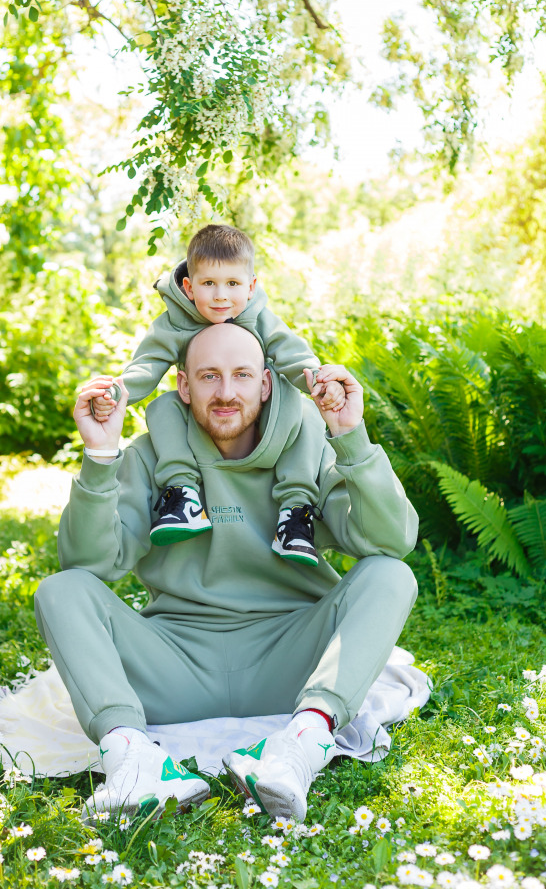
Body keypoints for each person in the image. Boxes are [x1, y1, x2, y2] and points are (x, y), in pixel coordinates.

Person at [34, 322, 419, 823]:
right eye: (209, 376)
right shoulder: (149, 458)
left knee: (391, 574)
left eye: (241, 375)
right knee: (62, 590)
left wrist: (350, 436)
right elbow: (89, 564)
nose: (226, 392)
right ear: (183, 385)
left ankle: (301, 742)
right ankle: (133, 758)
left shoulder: (306, 451)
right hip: (177, 666)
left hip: (291, 659)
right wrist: (101, 455)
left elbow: (390, 540)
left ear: (265, 383)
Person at [90, 223, 347, 566]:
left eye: (233, 284)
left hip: (267, 415)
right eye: (209, 283)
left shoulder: (259, 317)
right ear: (189, 286)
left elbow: (292, 353)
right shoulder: (175, 322)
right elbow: (147, 364)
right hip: (202, 423)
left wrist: (320, 382)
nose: (221, 295)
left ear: (251, 286)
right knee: (164, 408)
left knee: (307, 415)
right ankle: (182, 495)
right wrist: (114, 393)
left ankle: (296, 514)